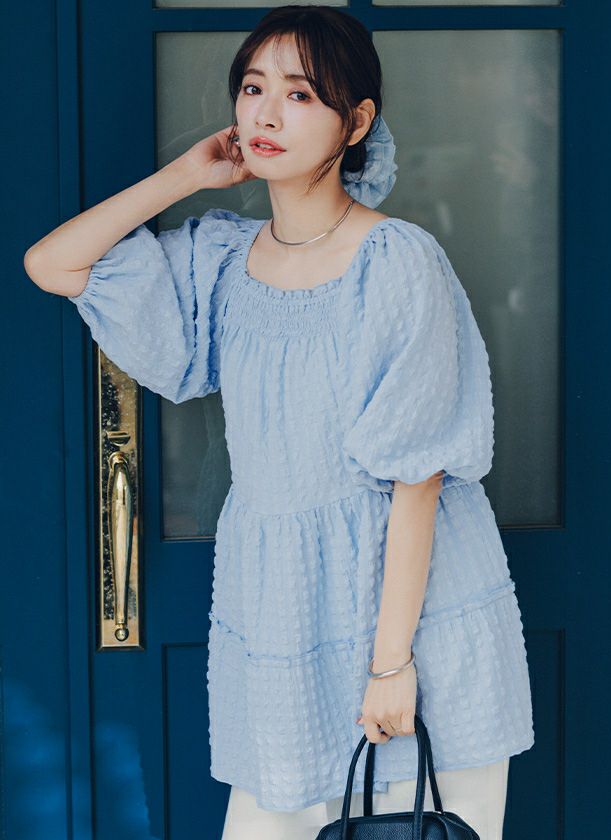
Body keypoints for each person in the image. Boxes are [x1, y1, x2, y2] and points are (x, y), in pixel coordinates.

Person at [24, 6, 534, 838]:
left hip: (410, 614)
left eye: (299, 95)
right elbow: (53, 263)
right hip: (283, 607)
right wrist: (185, 176)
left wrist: (392, 664)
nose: (265, 113)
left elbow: (419, 476)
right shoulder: (223, 257)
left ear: (356, 122)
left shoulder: (396, 261)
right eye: (253, 88)